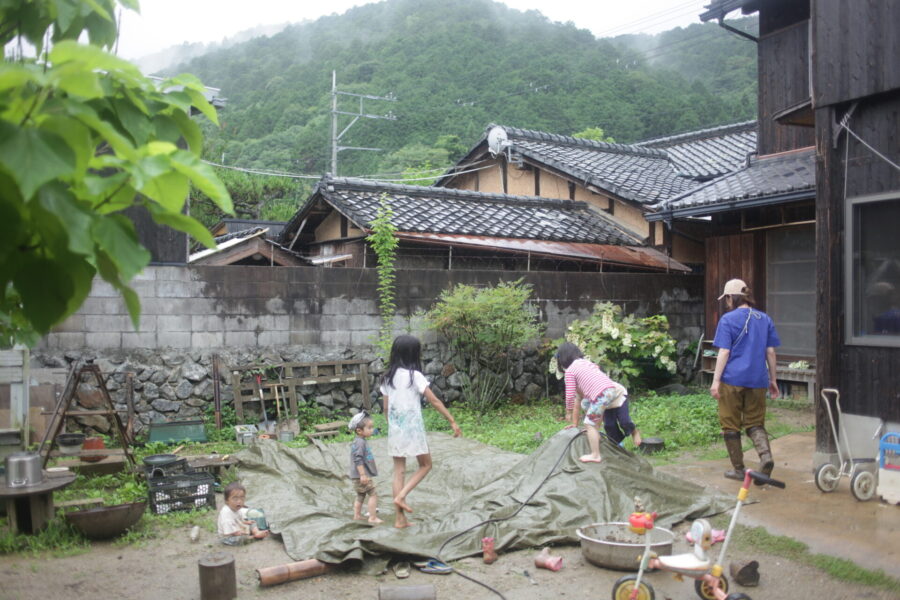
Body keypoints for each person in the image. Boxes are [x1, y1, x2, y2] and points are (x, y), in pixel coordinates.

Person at [380, 334, 461, 529]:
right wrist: (452, 420)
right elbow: (434, 400)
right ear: (412, 354)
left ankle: (400, 520)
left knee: (398, 471)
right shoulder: (414, 376)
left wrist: (392, 425)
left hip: (396, 428)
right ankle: (401, 496)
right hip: (413, 429)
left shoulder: (387, 378)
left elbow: (385, 408)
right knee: (425, 465)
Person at [710, 278, 781, 483]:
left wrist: (715, 381)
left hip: (732, 379)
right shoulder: (765, 319)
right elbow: (771, 352)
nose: (726, 302)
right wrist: (773, 379)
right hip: (758, 380)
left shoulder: (728, 320)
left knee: (730, 425)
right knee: (755, 423)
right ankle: (765, 457)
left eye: (727, 298)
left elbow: (724, 352)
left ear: (732, 297)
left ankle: (739, 469)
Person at [556, 341, 638, 463]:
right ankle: (596, 430)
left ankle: (595, 455)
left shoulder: (570, 372)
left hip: (602, 394)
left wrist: (568, 411)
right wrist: (575, 423)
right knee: (587, 405)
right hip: (610, 389)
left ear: (562, 359)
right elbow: (597, 370)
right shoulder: (586, 363)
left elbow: (569, 394)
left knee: (589, 423)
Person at [348, 411, 383, 524]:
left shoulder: (360, 441)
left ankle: (357, 515)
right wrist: (363, 474)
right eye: (369, 428)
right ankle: (372, 517)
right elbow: (358, 459)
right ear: (359, 430)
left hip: (357, 476)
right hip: (361, 476)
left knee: (361, 495)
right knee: (373, 494)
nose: (372, 430)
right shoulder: (360, 443)